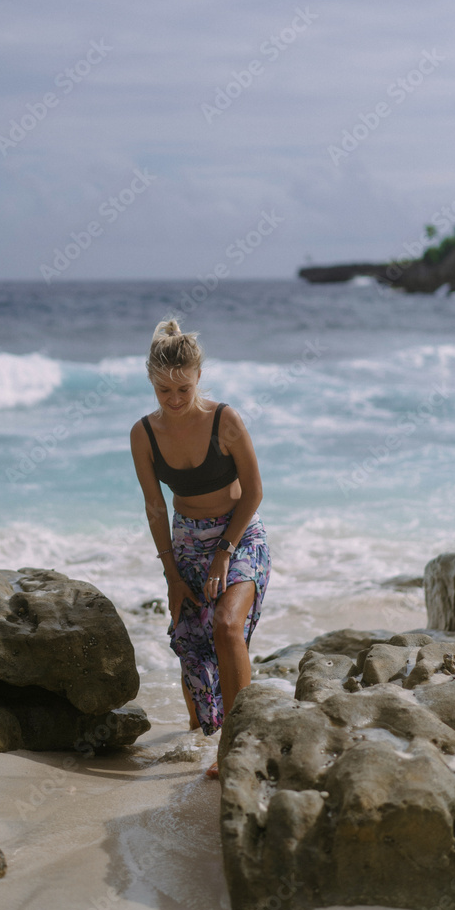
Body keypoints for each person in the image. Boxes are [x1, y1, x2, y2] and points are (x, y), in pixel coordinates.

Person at [130, 318, 271, 778]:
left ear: (198, 379)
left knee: (228, 628)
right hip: (185, 542)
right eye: (163, 391)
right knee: (192, 650)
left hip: (239, 534)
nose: (173, 400)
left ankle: (238, 746)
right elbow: (155, 507)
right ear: (152, 383)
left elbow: (253, 492)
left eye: (183, 390)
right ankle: (200, 738)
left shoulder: (225, 420)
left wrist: (224, 552)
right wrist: (171, 574)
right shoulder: (144, 434)